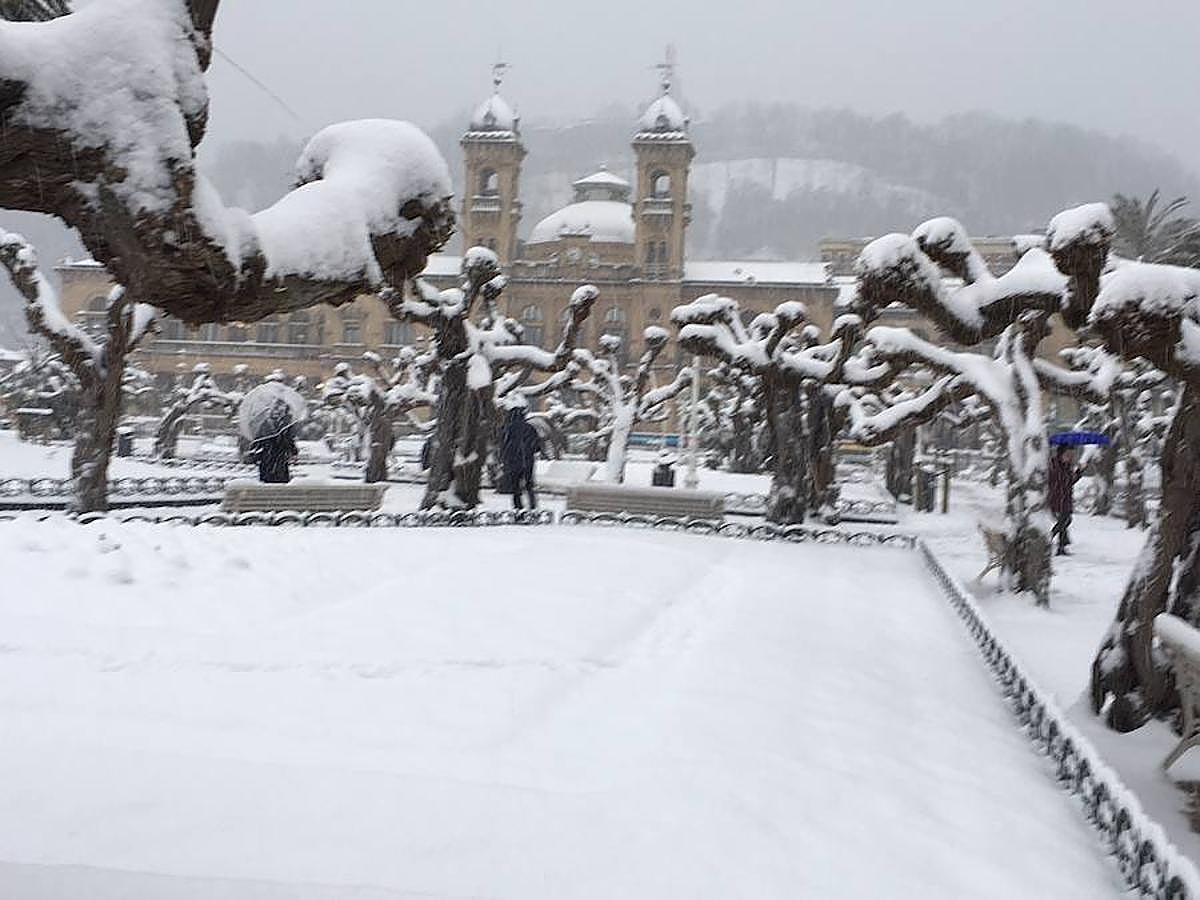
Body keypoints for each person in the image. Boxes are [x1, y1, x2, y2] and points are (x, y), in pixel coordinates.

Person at [500, 401, 542, 510]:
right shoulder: (530, 428)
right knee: (529, 485)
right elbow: (537, 446)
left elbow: (504, 445)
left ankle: (518, 508)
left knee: (515, 487)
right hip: (528, 461)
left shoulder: (508, 429)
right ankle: (533, 507)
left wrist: (506, 458)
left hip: (513, 461)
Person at [247, 400, 298, 483]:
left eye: (281, 411)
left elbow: (289, 440)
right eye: (275, 410)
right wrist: (255, 451)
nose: (277, 413)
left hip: (280, 456)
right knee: (267, 481)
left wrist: (293, 451)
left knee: (281, 481)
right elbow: (258, 439)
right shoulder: (265, 424)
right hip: (267, 457)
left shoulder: (286, 425)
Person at [1048, 444, 1080, 555]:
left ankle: (1060, 547)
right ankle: (1050, 538)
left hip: (1066, 498)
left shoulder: (1067, 466)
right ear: (1061, 454)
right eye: (1068, 455)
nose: (1070, 457)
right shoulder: (1054, 464)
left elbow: (1070, 481)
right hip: (1056, 497)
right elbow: (1057, 481)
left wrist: (1079, 472)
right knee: (1064, 520)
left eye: (1072, 455)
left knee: (1065, 520)